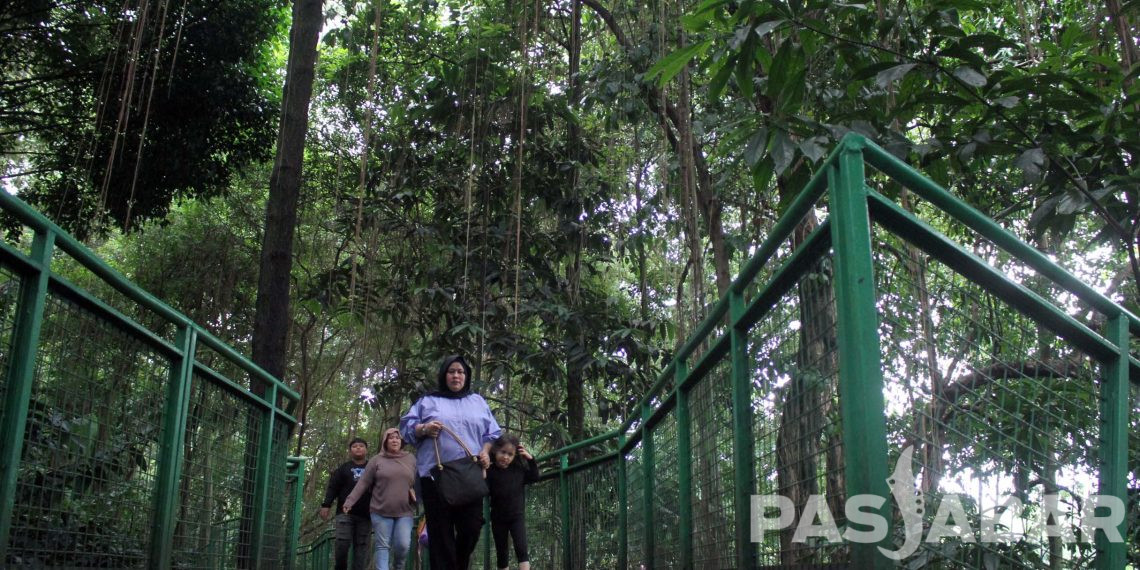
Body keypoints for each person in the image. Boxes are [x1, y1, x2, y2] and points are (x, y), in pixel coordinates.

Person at [400, 354, 502, 570]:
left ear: (467, 376)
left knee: (472, 528)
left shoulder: (477, 401)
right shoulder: (427, 401)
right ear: (444, 375)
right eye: (452, 371)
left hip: (469, 475)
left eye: (461, 372)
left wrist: (485, 451)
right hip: (436, 476)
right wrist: (424, 428)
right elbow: (406, 428)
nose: (457, 375)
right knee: (440, 534)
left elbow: (492, 432)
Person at [343, 428, 417, 570]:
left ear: (401, 441)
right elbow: (363, 482)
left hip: (404, 511)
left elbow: (419, 481)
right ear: (385, 441)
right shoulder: (376, 460)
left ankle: (398, 567)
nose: (394, 440)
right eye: (391, 438)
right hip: (380, 511)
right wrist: (350, 500)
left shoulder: (411, 459)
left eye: (397, 437)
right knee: (382, 546)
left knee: (403, 545)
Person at [485, 434, 540, 570]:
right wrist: (483, 467)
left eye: (510, 454)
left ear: (515, 456)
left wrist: (530, 459)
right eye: (503, 452)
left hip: (517, 516)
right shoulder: (490, 471)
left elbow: (535, 477)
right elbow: (483, 489)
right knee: (501, 552)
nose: (506, 457)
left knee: (522, 549)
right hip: (498, 518)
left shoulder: (518, 470)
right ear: (495, 451)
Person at [320, 437, 373, 570]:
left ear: (366, 449)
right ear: (350, 451)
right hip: (345, 513)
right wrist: (326, 505)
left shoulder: (372, 467)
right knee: (342, 543)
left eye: (361, 446)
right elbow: (333, 487)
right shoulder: (344, 468)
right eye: (355, 446)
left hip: (366, 515)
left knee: (361, 547)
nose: (358, 448)